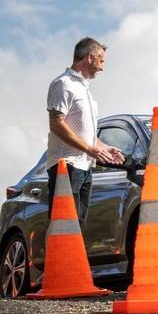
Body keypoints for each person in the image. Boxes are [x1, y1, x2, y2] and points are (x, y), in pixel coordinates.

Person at [46, 37, 125, 225]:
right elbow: (56, 123)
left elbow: (83, 132)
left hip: (84, 167)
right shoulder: (63, 83)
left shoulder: (84, 89)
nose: (102, 67)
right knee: (64, 225)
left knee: (77, 226)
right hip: (66, 166)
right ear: (90, 57)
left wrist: (103, 148)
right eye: (101, 61)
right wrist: (89, 149)